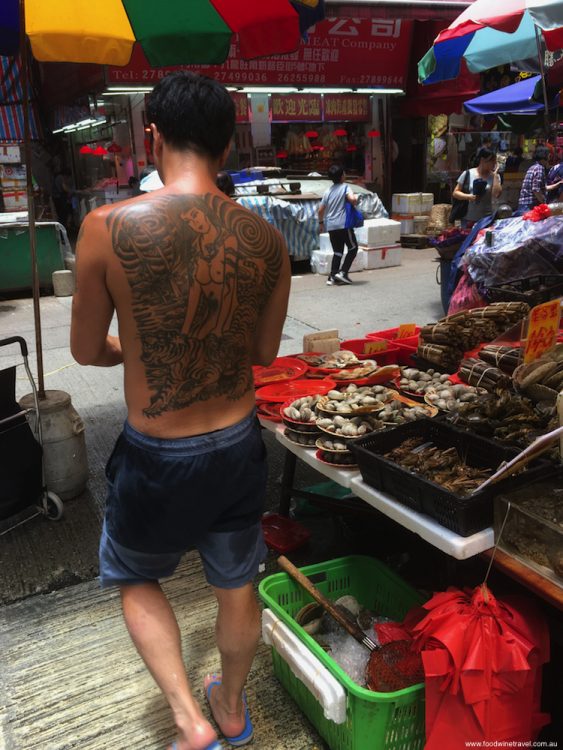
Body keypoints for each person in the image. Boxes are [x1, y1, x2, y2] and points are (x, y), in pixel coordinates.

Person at [70, 71, 291, 750]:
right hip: (236, 442)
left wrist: (137, 351)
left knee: (136, 573)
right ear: (229, 147)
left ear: (153, 136)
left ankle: (189, 723)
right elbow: (259, 352)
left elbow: (84, 351)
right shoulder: (267, 240)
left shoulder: (107, 227)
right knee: (235, 582)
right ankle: (229, 709)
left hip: (156, 453)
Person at [318, 164, 360, 285]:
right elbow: (352, 200)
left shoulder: (327, 191)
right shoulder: (345, 187)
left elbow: (320, 210)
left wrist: (321, 223)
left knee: (337, 251)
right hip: (343, 225)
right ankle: (343, 273)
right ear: (342, 176)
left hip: (331, 226)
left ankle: (332, 277)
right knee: (353, 248)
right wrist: (356, 198)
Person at [452, 147, 502, 227]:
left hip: (486, 220)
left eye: (495, 161)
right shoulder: (468, 174)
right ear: (482, 160)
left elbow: (496, 194)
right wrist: (469, 197)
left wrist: (495, 175)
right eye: (491, 161)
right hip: (468, 219)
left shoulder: (495, 177)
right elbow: (455, 193)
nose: (494, 163)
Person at [518, 146, 557, 211]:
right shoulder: (539, 168)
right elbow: (536, 190)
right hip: (529, 206)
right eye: (549, 155)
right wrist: (544, 204)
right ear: (545, 156)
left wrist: (558, 184)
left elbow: (543, 188)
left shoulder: (534, 167)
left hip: (525, 204)